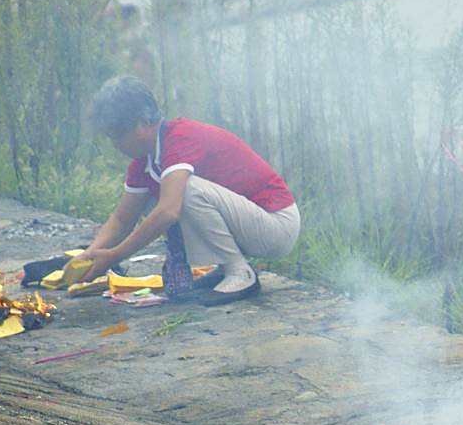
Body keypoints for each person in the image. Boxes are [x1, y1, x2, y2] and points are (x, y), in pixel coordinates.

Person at [79, 76, 300, 305]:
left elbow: (168, 212)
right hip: (249, 224)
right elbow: (122, 218)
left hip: (276, 226)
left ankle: (240, 273)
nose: (115, 144)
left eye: (117, 136)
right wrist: (90, 255)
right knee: (162, 196)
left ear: (143, 123)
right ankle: (226, 266)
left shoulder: (179, 138)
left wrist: (116, 255)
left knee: (182, 192)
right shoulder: (144, 162)